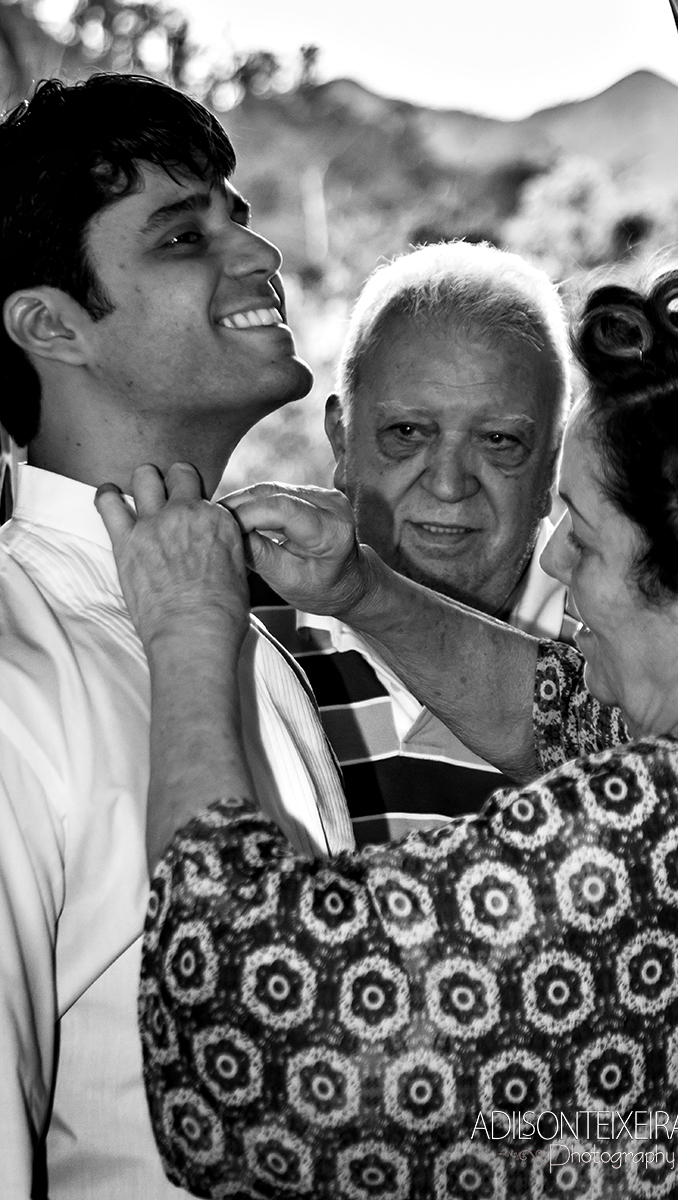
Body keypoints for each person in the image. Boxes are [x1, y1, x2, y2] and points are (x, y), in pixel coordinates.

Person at [100, 254, 678, 1198]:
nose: (553, 552)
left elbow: (255, 1049)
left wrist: (186, 626)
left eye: (585, 540)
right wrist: (362, 589)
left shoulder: (662, 832)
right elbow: (561, 707)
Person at [0, 74, 353, 1199]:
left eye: (237, 217)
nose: (258, 257)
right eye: (182, 234)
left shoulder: (238, 618)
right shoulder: (18, 675)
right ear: (52, 324)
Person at [251, 241, 571, 843]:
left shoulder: (639, 646)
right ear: (341, 441)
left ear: (555, 463)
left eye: (500, 441)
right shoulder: (237, 633)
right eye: (407, 433)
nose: (450, 484)